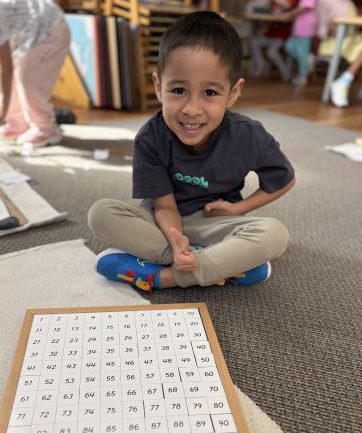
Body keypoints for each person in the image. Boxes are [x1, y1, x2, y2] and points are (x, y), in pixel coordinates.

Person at [88, 11, 295, 293]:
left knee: (275, 235)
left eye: (209, 93)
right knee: (100, 214)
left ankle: (163, 277)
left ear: (233, 93)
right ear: (159, 87)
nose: (192, 109)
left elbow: (284, 179)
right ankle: (221, 266)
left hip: (215, 224)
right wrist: (176, 244)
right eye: (178, 90)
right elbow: (163, 206)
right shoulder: (150, 137)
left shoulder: (248, 135)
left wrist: (238, 209)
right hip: (163, 223)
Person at [0, 0, 70, 147]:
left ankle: (46, 127)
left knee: (28, 75)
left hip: (50, 29)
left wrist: (1, 106)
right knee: (0, 68)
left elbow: (7, 65)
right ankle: (17, 122)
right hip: (28, 37)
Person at [249, 0, 298, 81]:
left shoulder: (290, 2)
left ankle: (285, 72)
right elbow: (268, 6)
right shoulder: (273, 3)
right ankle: (261, 64)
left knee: (271, 52)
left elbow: (288, 6)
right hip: (270, 35)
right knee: (253, 42)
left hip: (282, 36)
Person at [282, 0, 318, 86]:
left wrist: (289, 14)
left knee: (302, 53)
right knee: (289, 46)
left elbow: (304, 7)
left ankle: (303, 77)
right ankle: (308, 60)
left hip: (306, 28)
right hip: (298, 28)